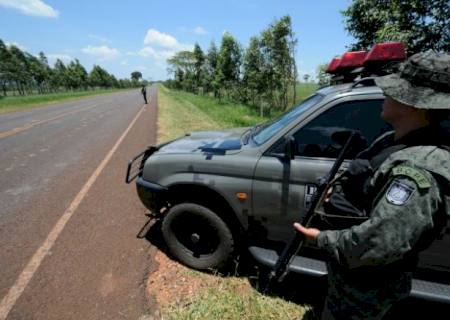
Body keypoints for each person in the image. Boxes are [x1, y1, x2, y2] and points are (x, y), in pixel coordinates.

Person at [294, 50, 450, 319]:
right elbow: (367, 178)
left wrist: (319, 238)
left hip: (367, 292)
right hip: (351, 280)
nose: (385, 94)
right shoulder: (395, 140)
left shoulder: (418, 168)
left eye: (395, 91)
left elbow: (378, 243)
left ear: (415, 104)